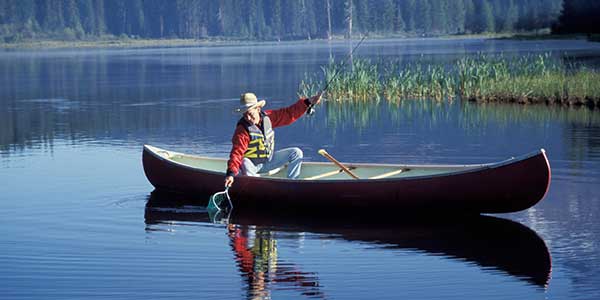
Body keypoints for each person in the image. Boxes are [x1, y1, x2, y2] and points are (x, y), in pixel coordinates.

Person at [224, 92, 321, 187]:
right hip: (252, 166)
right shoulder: (242, 130)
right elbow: (237, 153)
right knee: (244, 162)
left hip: (269, 161)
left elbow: (289, 114)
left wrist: (308, 102)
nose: (248, 118)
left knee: (296, 153)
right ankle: (254, 188)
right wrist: (231, 174)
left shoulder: (268, 117)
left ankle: (292, 186)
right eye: (245, 115)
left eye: (250, 113)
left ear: (258, 109)